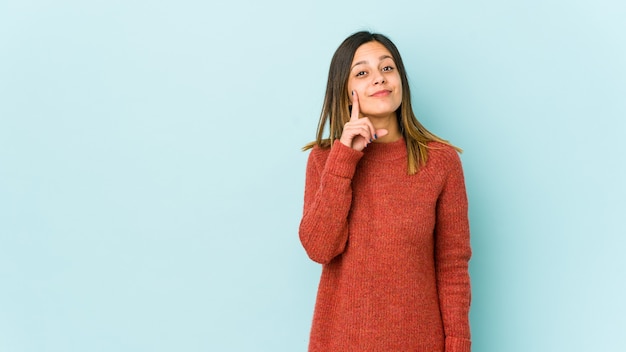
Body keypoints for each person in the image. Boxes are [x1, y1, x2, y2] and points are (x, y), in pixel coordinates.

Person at [298, 31, 472, 352]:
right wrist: (345, 158)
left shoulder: (440, 161)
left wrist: (458, 346)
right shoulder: (325, 159)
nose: (379, 78)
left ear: (400, 80)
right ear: (345, 90)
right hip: (340, 343)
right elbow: (319, 248)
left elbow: (452, 267)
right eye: (362, 73)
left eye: (387, 68)